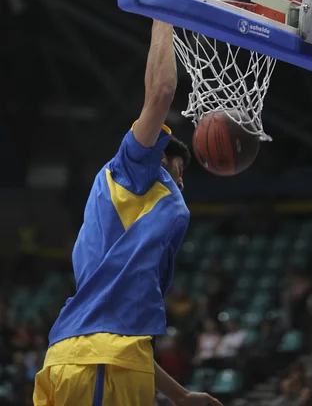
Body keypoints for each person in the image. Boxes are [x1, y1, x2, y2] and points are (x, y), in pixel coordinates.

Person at [33, 21, 223, 406]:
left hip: (88, 360)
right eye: (179, 173)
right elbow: (161, 92)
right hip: (99, 368)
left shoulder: (120, 240)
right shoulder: (135, 171)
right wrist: (163, 13)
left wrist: (181, 396)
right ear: (157, 159)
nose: (181, 186)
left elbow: (123, 339)